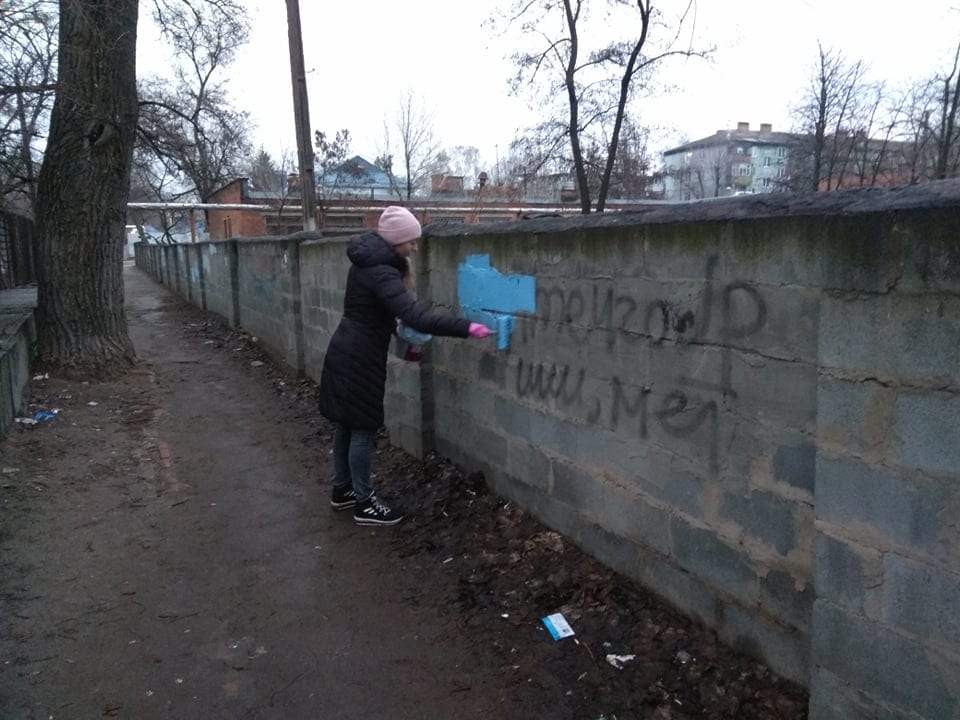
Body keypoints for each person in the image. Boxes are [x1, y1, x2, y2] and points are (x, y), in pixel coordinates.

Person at [318, 206, 490, 526]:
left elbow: (377, 310)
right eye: (411, 241)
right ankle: (364, 502)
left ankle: (342, 490)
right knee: (363, 429)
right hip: (360, 358)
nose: (414, 247)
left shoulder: (366, 263)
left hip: (345, 348)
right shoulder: (382, 271)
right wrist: (466, 328)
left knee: (346, 424)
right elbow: (416, 317)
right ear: (397, 240)